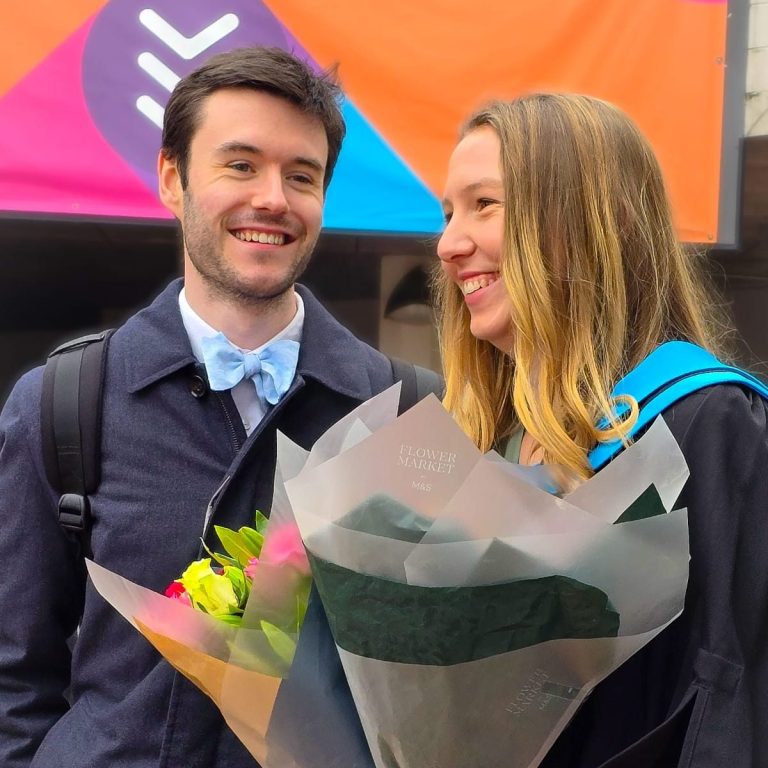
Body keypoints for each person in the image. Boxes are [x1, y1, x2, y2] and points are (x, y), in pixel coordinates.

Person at [0, 47, 435, 768]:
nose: (273, 199)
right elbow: (13, 670)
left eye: (302, 176)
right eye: (240, 165)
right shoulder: (61, 403)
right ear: (173, 177)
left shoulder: (408, 411)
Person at [435, 93, 767, 766]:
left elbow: (729, 693)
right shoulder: (490, 440)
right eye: (447, 214)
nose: (448, 245)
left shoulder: (706, 424)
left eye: (485, 205)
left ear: (583, 222)